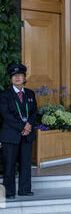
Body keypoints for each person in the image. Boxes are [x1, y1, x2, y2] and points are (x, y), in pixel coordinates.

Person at [0, 64, 37, 199]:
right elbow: (6, 115)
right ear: (11, 79)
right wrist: (23, 127)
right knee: (9, 165)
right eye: (14, 76)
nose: (17, 78)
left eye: (20, 75)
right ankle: (9, 192)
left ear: (24, 78)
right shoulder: (5, 95)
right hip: (11, 134)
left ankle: (25, 189)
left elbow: (34, 112)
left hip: (27, 135)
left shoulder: (30, 94)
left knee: (25, 163)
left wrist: (29, 125)